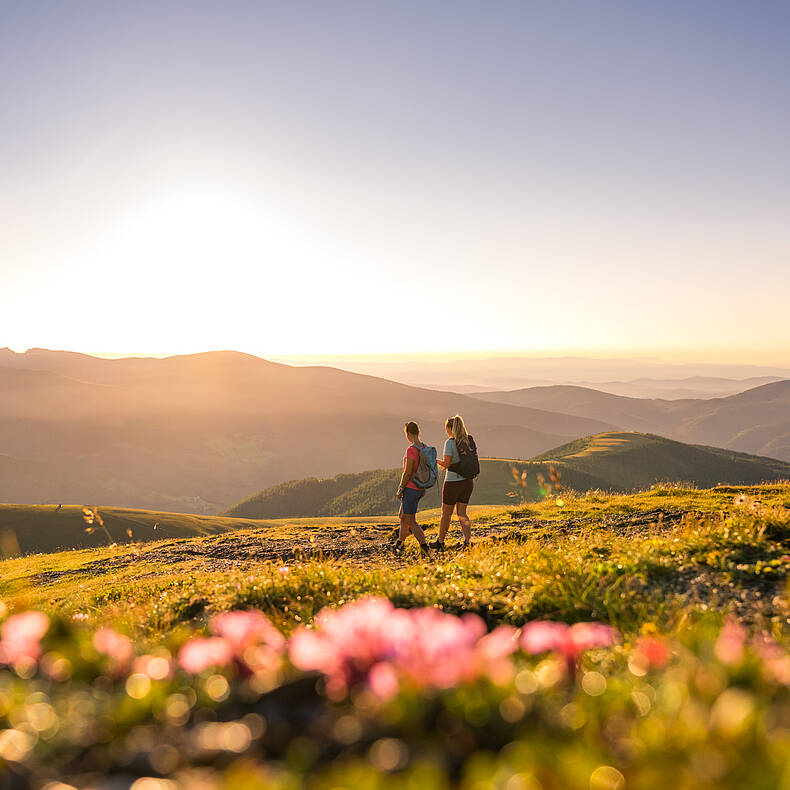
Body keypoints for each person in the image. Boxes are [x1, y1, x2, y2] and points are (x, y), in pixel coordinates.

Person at [433, 414, 475, 550]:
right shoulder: (468, 441)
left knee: (446, 513)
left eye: (446, 428)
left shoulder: (450, 443)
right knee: (462, 513)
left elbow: (446, 464)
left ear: (450, 428)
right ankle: (467, 541)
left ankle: (440, 541)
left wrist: (436, 461)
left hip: (452, 482)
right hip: (468, 482)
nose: (446, 431)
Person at [394, 421, 431, 555]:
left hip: (411, 488)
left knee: (410, 520)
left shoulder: (411, 449)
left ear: (408, 434)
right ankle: (400, 543)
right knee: (403, 516)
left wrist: (400, 488)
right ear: (418, 432)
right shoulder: (424, 448)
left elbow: (407, 472)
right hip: (420, 487)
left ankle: (424, 546)